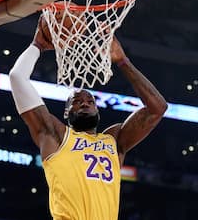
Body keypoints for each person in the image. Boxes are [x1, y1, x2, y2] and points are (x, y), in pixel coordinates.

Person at [9, 15, 168, 220]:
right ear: (66, 113)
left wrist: (123, 62)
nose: (85, 102)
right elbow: (17, 77)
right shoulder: (55, 136)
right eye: (76, 101)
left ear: (98, 112)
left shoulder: (113, 140)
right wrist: (37, 45)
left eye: (90, 101)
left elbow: (158, 108)